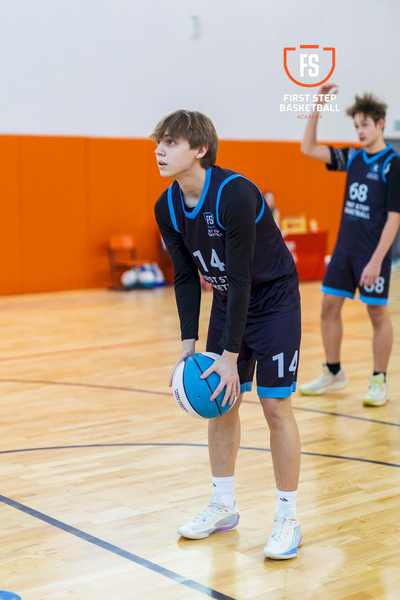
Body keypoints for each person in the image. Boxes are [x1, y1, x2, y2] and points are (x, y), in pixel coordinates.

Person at [152, 110, 302, 560]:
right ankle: (223, 505)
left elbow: (240, 278)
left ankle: (288, 517)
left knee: (275, 407)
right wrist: (189, 346)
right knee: (223, 402)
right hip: (226, 299)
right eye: (158, 142)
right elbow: (184, 276)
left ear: (200, 149)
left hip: (272, 299)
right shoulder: (166, 206)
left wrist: (230, 357)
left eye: (171, 142)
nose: (159, 150)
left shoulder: (234, 193)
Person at [299, 86, 400, 406]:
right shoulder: (353, 157)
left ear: (380, 124)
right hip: (344, 250)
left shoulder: (393, 164)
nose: (360, 130)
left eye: (365, 124)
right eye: (356, 125)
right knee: (328, 307)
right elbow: (308, 148)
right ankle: (333, 372)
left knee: (376, 312)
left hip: (372, 253)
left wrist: (377, 261)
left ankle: (379, 380)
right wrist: (318, 105)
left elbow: (394, 218)